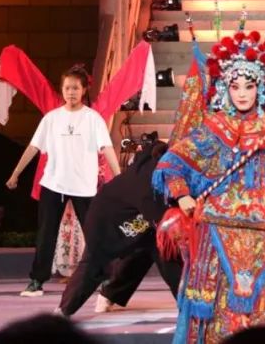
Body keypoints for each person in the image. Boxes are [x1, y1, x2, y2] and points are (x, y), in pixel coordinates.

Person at [153, 26, 265, 344]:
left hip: (253, 231)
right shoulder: (214, 127)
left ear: (260, 87)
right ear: (225, 87)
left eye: (249, 86)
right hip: (214, 226)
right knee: (209, 303)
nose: (241, 93)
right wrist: (181, 196)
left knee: (246, 304)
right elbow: (173, 163)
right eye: (235, 86)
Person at [6, 65, 122, 298]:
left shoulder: (93, 119)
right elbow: (33, 147)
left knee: (94, 233)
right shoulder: (52, 119)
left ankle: (105, 278)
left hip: (84, 186)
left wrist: (118, 176)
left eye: (75, 88)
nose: (71, 92)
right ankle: (37, 280)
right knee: (46, 233)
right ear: (62, 90)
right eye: (67, 88)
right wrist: (15, 173)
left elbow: (107, 147)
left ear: (84, 90)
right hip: (54, 184)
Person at [56, 133, 182, 317]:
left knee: (163, 253)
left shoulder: (169, 171)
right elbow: (161, 215)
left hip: (140, 220)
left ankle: (188, 304)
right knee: (94, 264)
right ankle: (63, 310)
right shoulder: (148, 177)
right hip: (108, 220)